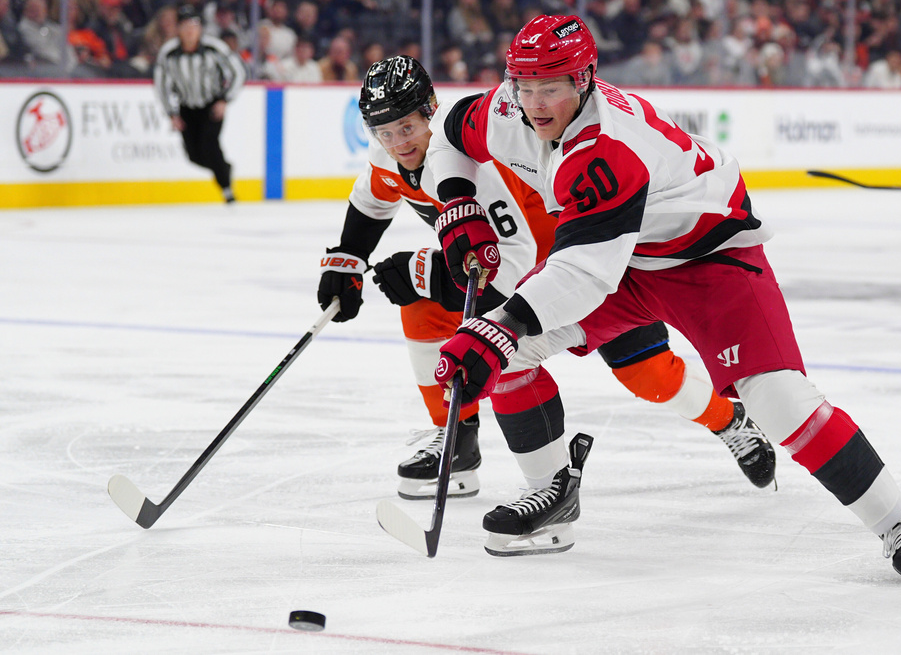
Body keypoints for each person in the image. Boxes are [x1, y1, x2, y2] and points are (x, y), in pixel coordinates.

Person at [425, 15, 901, 580]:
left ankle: (898, 524)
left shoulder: (606, 147)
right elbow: (449, 137)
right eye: (524, 86)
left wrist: (500, 323)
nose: (535, 103)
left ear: (584, 80)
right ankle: (550, 497)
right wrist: (458, 205)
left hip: (709, 260)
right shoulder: (510, 108)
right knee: (506, 348)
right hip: (630, 257)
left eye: (550, 88)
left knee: (776, 399)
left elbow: (584, 272)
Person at [317, 56, 776, 502]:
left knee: (649, 376)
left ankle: (728, 420)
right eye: (384, 131)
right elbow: (372, 199)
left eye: (408, 127)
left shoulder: (473, 169)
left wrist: (430, 273)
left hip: (580, 268)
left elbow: (517, 266)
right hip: (529, 277)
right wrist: (348, 257)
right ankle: (455, 438)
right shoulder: (387, 154)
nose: (398, 142)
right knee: (419, 303)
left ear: (431, 112)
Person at [154, 4, 245, 204]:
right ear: (178, 28)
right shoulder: (169, 53)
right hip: (187, 108)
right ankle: (224, 168)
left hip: (211, 105)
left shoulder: (214, 48)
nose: (190, 30)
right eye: (185, 25)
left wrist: (224, 99)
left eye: (194, 25)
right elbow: (161, 84)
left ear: (201, 28)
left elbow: (238, 71)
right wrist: (172, 113)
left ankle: (226, 189)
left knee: (209, 144)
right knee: (194, 155)